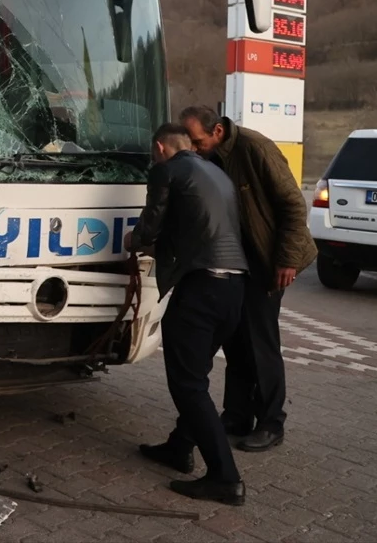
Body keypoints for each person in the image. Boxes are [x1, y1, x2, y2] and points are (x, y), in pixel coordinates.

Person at [178, 105, 317, 452]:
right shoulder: (206, 157)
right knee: (236, 340)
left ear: (218, 132)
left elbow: (293, 206)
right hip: (234, 262)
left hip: (268, 261)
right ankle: (237, 415)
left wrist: (285, 260)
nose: (194, 149)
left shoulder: (255, 148)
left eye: (198, 142)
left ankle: (272, 422)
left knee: (261, 343)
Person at [125, 123, 249, 505]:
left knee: (188, 383)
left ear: (160, 148)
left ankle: (225, 478)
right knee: (197, 371)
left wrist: (133, 239)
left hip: (202, 287)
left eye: (152, 153)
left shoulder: (167, 170)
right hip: (234, 287)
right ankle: (179, 446)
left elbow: (150, 225)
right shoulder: (217, 172)